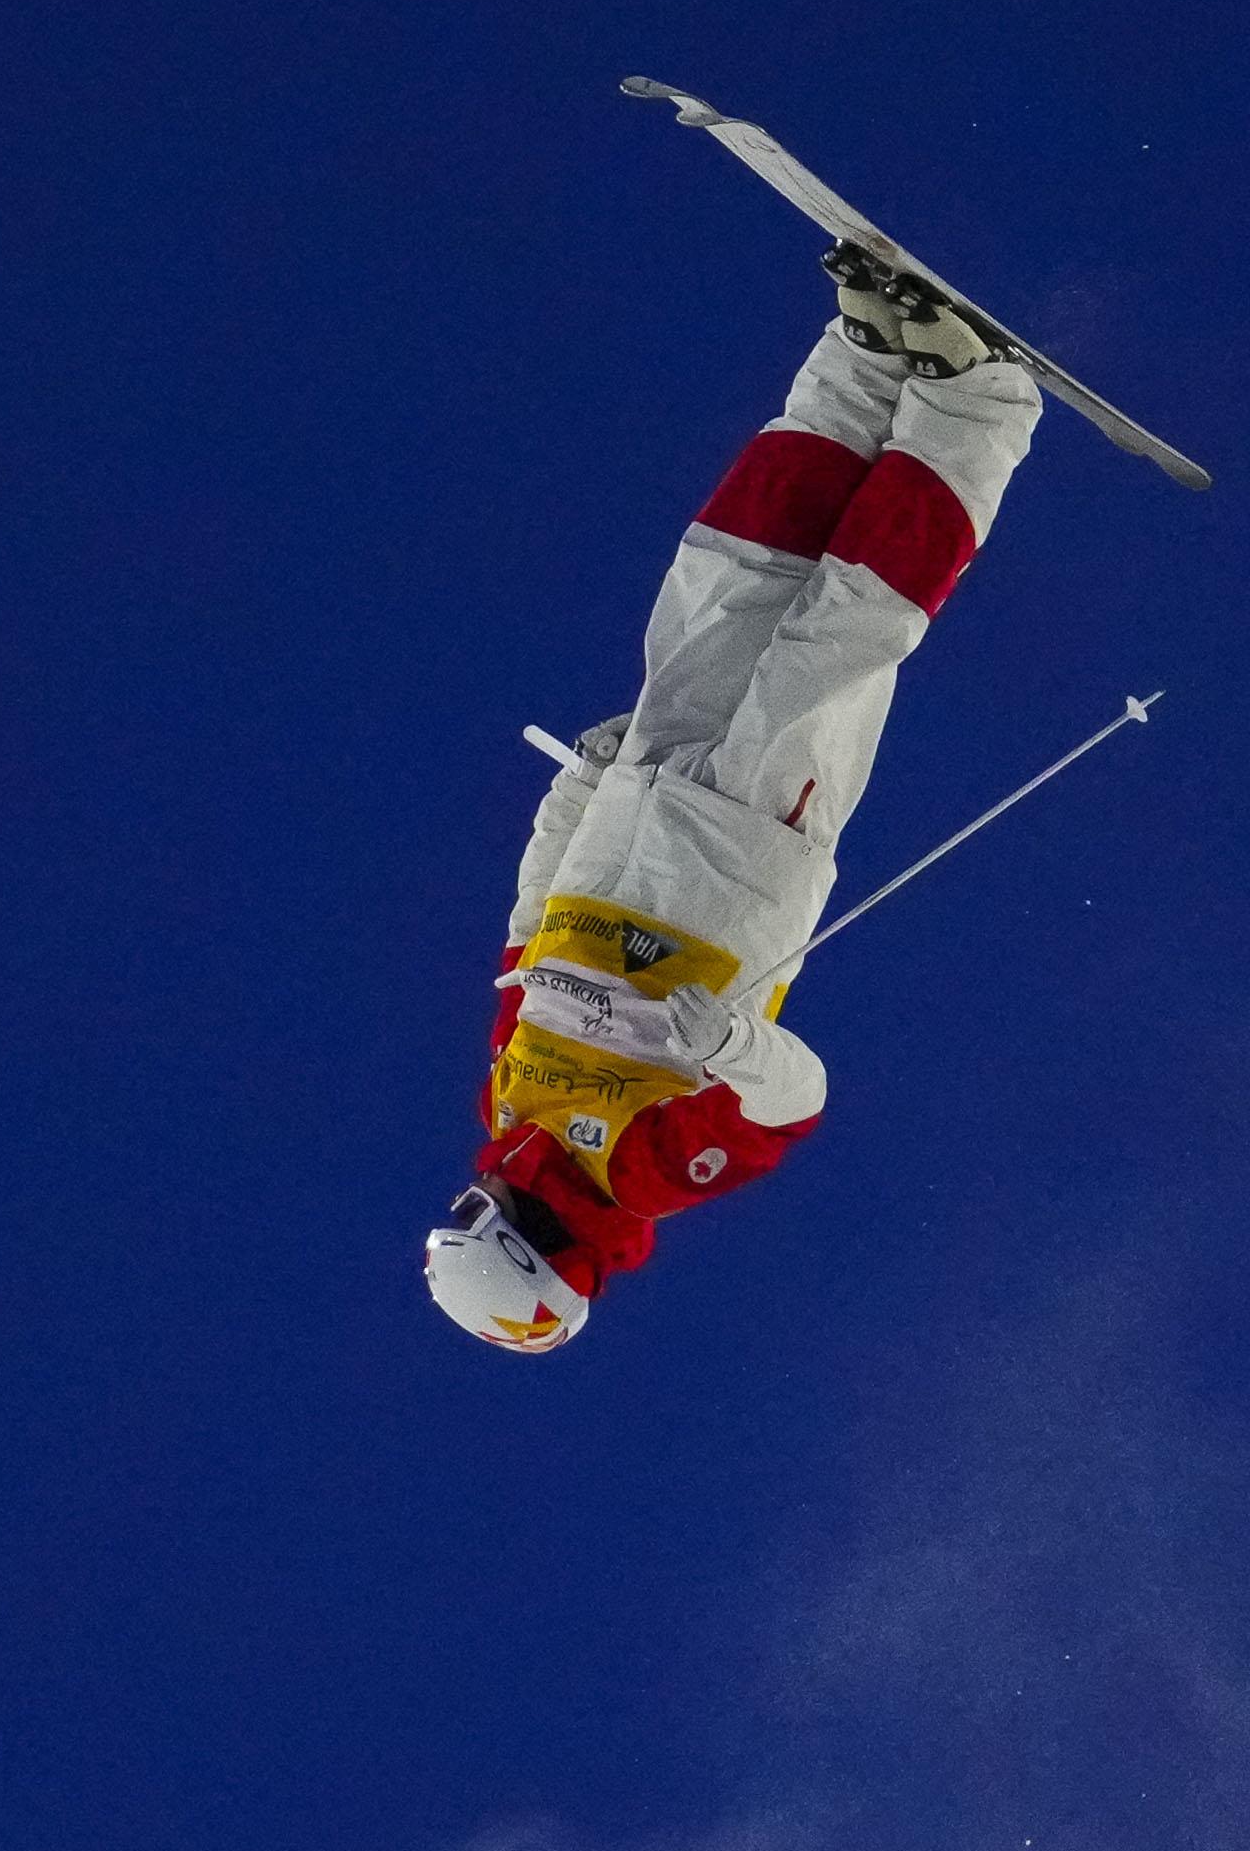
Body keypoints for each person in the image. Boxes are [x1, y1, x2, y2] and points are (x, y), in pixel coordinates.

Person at [422, 245, 1047, 1352]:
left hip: (638, 814)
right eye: (482, 1217)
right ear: (530, 1241)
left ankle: (861, 364)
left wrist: (576, 798)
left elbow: (529, 940)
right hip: (745, 860)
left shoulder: (508, 1110)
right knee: (839, 627)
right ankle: (971, 400)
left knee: (725, 579)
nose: (473, 1192)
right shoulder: (642, 1177)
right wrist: (728, 1046)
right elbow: (791, 1102)